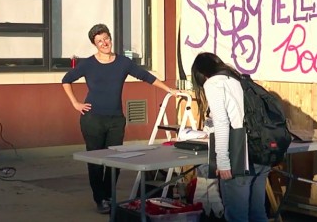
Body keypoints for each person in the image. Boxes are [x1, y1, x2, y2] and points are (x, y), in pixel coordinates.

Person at [62, 23, 178, 214]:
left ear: (110, 38)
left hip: (116, 119)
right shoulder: (88, 64)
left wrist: (169, 90)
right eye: (99, 41)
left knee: (115, 160)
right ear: (95, 44)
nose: (104, 43)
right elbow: (66, 80)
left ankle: (109, 196)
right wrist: (75, 103)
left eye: (106, 38)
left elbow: (145, 76)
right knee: (95, 160)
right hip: (92, 119)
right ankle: (100, 199)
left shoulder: (123, 62)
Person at [190, 52, 270, 222]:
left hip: (239, 155)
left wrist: (223, 161)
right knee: (258, 215)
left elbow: (221, 122)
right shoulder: (239, 79)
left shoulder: (213, 83)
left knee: (237, 216)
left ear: (202, 74)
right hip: (261, 151)